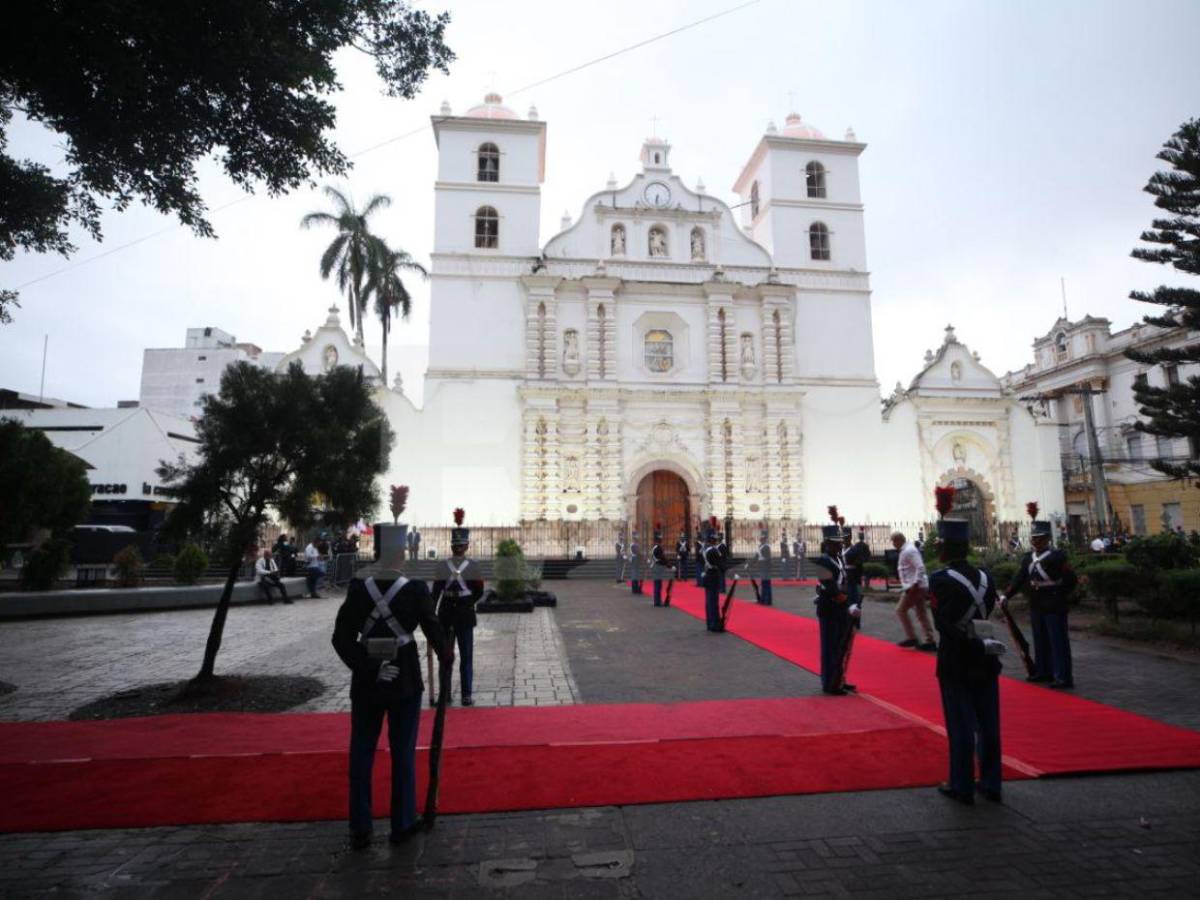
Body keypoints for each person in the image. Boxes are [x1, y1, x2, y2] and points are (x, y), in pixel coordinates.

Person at [331, 569, 446, 848]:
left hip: (366, 682)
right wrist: (447, 652)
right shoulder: (415, 589)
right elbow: (434, 630)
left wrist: (369, 667)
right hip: (404, 679)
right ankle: (403, 822)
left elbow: (341, 638)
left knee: (361, 752)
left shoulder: (359, 588)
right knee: (403, 752)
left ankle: (360, 826)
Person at [929, 517, 1003, 805]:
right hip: (985, 655)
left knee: (960, 725)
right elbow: (989, 609)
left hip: (956, 658)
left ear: (946, 548)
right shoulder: (987, 577)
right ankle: (992, 782)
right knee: (989, 722)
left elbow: (942, 624)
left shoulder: (939, 579)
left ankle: (962, 785)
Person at [1002, 520, 1077, 689]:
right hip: (1037, 603)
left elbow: (1071, 579)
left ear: (1047, 539)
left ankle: (1063, 676)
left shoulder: (1057, 556)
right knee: (1040, 639)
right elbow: (1019, 578)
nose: (1035, 541)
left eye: (1039, 538)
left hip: (1054, 602)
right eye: (1033, 538)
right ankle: (1044, 672)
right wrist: (1006, 596)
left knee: (1058, 642)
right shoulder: (1029, 557)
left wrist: (1059, 595)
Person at [430, 513, 484, 707]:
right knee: (445, 655)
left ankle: (466, 694)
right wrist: (430, 615)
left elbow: (479, 591)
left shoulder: (472, 566)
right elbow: (435, 592)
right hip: (448, 613)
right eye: (456, 545)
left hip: (460, 613)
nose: (458, 548)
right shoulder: (442, 566)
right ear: (453, 546)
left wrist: (468, 603)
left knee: (466, 655)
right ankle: (445, 693)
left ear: (466, 546)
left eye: (460, 545)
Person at [813, 524, 858, 694]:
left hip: (840, 607)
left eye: (840, 542)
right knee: (830, 646)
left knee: (841, 645)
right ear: (828, 543)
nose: (840, 545)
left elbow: (845, 580)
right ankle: (830, 682)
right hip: (830, 608)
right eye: (836, 543)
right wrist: (847, 601)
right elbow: (831, 587)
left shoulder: (838, 558)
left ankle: (840, 679)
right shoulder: (823, 560)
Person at [892, 530, 935, 651]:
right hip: (916, 586)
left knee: (901, 610)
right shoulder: (907, 550)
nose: (893, 544)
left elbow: (920, 567)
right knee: (921, 613)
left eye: (894, 541)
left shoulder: (909, 550)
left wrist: (915, 583)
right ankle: (930, 640)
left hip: (915, 587)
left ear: (899, 540)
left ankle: (912, 637)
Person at [701, 519, 725, 632]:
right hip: (713, 576)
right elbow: (720, 564)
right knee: (713, 602)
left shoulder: (707, 549)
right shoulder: (713, 551)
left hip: (708, 576)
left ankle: (710, 623)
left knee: (709, 601)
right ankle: (714, 624)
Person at [651, 525, 669, 607]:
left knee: (657, 584)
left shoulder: (655, 547)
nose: (661, 540)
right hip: (658, 567)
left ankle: (657, 601)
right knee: (658, 585)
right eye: (660, 539)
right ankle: (657, 601)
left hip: (656, 567)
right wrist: (669, 565)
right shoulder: (658, 548)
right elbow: (662, 558)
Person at [755, 526, 773, 605]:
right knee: (764, 584)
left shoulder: (766, 547)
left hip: (765, 567)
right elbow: (756, 557)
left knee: (766, 584)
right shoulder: (761, 546)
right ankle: (765, 599)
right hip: (762, 567)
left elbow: (767, 558)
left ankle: (766, 600)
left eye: (762, 539)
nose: (761, 540)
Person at [629, 531, 644, 595]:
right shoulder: (633, 544)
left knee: (636, 574)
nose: (638, 537)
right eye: (636, 536)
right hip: (635, 559)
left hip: (636, 559)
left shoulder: (636, 544)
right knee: (635, 574)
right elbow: (637, 552)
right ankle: (635, 589)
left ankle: (636, 588)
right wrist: (642, 557)